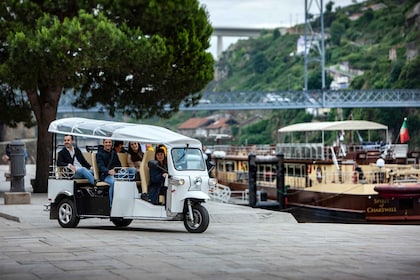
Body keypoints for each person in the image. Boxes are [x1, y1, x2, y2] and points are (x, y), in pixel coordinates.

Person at [96, 139, 135, 207]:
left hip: (115, 173)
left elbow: (119, 165)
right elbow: (101, 166)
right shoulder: (99, 154)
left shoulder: (114, 153)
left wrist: (115, 170)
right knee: (114, 182)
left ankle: (128, 201)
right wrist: (108, 171)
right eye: (106, 142)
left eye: (109, 142)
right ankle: (113, 205)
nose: (108, 144)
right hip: (105, 175)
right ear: (103, 143)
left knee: (131, 171)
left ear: (112, 143)